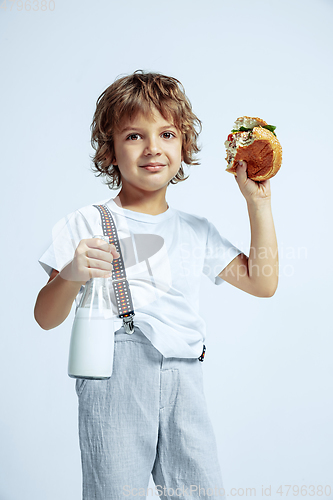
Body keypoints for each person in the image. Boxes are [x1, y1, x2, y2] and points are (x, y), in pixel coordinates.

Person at [34, 70, 278, 499]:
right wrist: (72, 272)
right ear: (110, 151)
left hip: (186, 378)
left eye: (166, 133)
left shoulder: (196, 230)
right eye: (133, 136)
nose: (153, 149)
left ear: (184, 145)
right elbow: (45, 317)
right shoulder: (87, 222)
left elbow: (264, 283)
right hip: (114, 380)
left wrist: (257, 204)